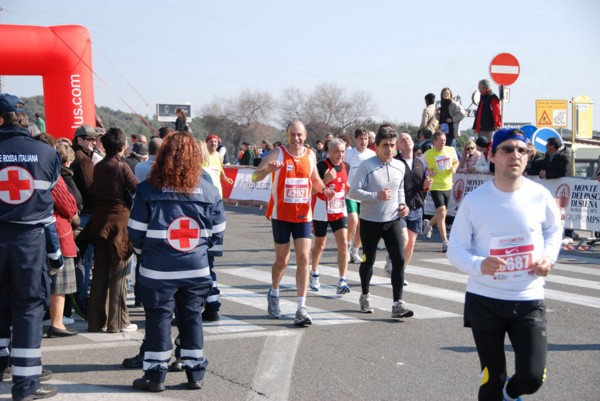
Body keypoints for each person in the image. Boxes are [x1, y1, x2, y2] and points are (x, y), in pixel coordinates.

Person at [447, 128, 562, 401]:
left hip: (528, 297)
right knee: (492, 378)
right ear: (492, 156)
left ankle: (512, 393)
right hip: (485, 300)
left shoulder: (540, 195)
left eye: (522, 150)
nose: (515, 155)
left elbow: (554, 231)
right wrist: (479, 265)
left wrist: (548, 257)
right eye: (508, 149)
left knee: (533, 378)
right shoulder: (475, 201)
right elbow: (456, 249)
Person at [128, 131, 224, 392]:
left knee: (158, 318)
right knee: (192, 317)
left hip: (158, 269)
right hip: (196, 269)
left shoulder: (146, 190)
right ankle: (195, 373)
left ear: (163, 156)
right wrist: (197, 252)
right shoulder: (209, 190)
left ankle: (155, 376)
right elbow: (218, 234)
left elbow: (135, 233)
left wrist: (145, 254)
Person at [0, 93, 60, 401]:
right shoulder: (47, 153)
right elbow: (48, 201)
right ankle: (25, 385)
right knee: (28, 310)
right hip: (29, 242)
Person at [252, 120, 334, 326]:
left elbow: (314, 179)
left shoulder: (310, 155)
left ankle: (301, 307)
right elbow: (254, 177)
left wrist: (324, 189)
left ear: (305, 135)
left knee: (304, 258)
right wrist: (267, 170)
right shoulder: (277, 154)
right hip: (281, 216)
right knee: (282, 261)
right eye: (292, 135)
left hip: (303, 216)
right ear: (287, 135)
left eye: (299, 135)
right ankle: (274, 293)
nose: (296, 138)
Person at [76, 128, 140, 333]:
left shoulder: (100, 165)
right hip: (120, 224)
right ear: (122, 147)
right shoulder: (121, 166)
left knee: (100, 273)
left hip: (100, 222)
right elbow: (138, 189)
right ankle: (118, 322)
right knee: (120, 274)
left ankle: (95, 321)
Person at [349, 125, 412, 319]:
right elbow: (353, 192)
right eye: (385, 145)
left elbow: (400, 188)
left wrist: (403, 204)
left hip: (392, 219)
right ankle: (365, 295)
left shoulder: (400, 165)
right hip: (370, 221)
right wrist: (376, 196)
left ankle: (397, 303)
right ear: (377, 146)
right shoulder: (366, 165)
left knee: (399, 260)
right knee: (369, 260)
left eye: (393, 145)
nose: (390, 149)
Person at [384, 132, 432, 278]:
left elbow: (422, 186)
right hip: (400, 208)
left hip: (417, 207)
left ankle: (400, 272)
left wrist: (426, 185)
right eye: (402, 140)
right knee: (403, 239)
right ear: (398, 145)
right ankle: (392, 259)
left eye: (408, 139)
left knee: (411, 243)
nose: (406, 141)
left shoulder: (420, 163)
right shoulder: (395, 162)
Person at [309, 138, 351, 295]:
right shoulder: (320, 166)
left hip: (339, 209)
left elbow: (344, 185)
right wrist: (325, 181)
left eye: (342, 151)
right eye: (336, 152)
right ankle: (314, 273)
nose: (340, 155)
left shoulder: (346, 166)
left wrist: (348, 189)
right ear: (329, 152)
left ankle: (342, 280)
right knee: (320, 245)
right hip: (321, 209)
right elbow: (311, 191)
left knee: (344, 243)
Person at [204, 134, 234, 321]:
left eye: (216, 142)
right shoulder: (203, 163)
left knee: (207, 265)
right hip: (208, 203)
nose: (213, 144)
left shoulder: (218, 157)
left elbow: (221, 170)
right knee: (208, 267)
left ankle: (211, 307)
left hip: (215, 202)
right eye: (211, 142)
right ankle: (211, 306)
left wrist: (226, 178)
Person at [70, 124, 99, 318]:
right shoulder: (84, 161)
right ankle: (81, 303)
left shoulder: (74, 157)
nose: (93, 142)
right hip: (86, 215)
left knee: (77, 261)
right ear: (79, 140)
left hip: (76, 215)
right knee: (84, 263)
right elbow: (91, 189)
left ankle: (72, 304)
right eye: (89, 139)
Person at [422, 130, 459, 252]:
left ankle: (428, 224)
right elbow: (419, 166)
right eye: (440, 140)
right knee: (442, 212)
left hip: (447, 185)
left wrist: (454, 167)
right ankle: (445, 242)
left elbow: (456, 161)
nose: (443, 142)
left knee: (442, 213)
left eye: (444, 140)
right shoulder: (428, 153)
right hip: (435, 186)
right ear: (434, 141)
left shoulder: (450, 150)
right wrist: (428, 172)